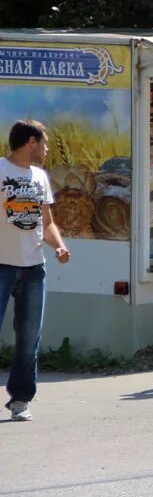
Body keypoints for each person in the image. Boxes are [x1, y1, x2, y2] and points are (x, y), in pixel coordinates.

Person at [1, 120, 70, 421]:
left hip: (33, 269)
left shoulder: (40, 177)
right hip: (1, 265)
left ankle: (21, 399)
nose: (47, 148)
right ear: (31, 142)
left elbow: (48, 222)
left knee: (29, 338)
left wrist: (59, 246)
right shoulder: (1, 170)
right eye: (44, 142)